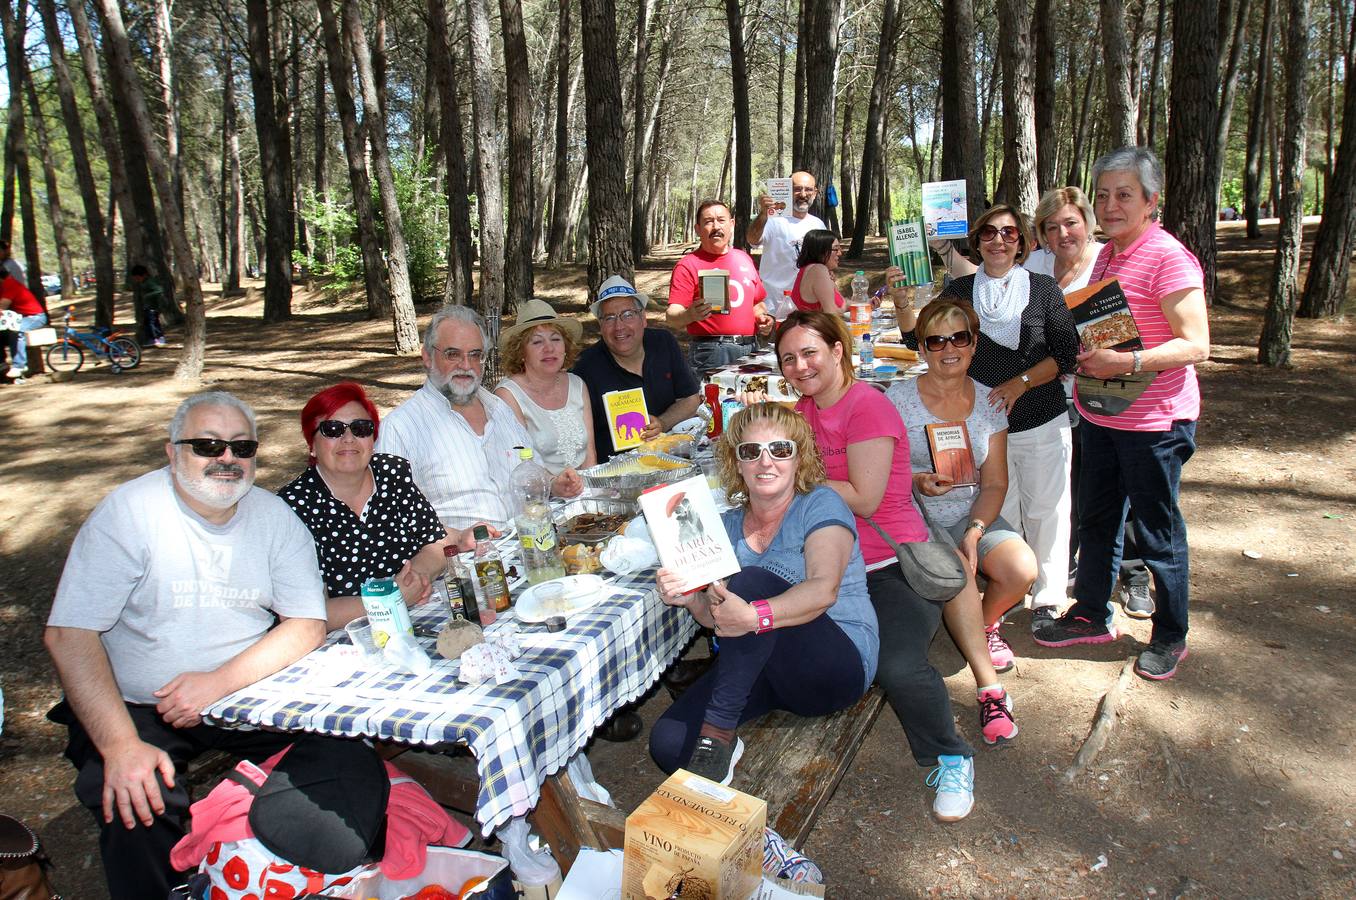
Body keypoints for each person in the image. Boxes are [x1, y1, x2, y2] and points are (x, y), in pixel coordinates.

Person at [43, 392, 327, 898]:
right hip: (137, 703)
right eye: (207, 444)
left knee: (341, 753)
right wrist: (120, 746)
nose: (227, 459)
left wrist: (217, 684)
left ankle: (281, 870)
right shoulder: (128, 513)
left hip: (241, 687)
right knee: (137, 797)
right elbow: (69, 634)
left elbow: (306, 624)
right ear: (172, 452)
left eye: (242, 447)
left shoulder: (274, 517)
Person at [776, 309, 989, 821]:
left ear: (837, 350)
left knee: (896, 664)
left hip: (889, 562)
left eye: (810, 353)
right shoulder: (802, 412)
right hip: (827, 560)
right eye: (789, 358)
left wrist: (783, 476)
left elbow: (865, 499)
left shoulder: (865, 407)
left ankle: (950, 755)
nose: (800, 366)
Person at [1034, 147, 1210, 682]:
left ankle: (1171, 634)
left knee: (1157, 531)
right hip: (1104, 415)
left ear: (1151, 200)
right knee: (1099, 520)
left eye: (1124, 195)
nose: (1111, 205)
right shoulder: (1110, 254)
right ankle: (1091, 612)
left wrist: (1126, 360)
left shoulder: (1169, 257)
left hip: (1156, 423)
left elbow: (1196, 344)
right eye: (1104, 195)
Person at [649, 403, 878, 785]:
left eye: (780, 450)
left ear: (798, 458)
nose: (765, 462)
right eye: (751, 451)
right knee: (669, 744)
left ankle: (718, 730)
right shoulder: (726, 526)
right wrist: (689, 598)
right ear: (737, 463)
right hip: (765, 665)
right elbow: (717, 617)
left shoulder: (820, 503)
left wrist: (754, 616)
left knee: (752, 581)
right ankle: (720, 739)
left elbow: (824, 590)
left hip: (836, 663)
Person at [898, 206, 1080, 641]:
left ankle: (1048, 599)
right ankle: (997, 596)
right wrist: (903, 300)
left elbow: (1067, 353)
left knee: (1047, 509)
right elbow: (919, 336)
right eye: (989, 233)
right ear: (976, 241)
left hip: (1037, 415)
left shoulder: (1042, 289)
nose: (999, 240)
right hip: (980, 426)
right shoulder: (961, 287)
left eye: (1010, 233)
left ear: (1023, 242)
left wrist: (1019, 384)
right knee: (1002, 510)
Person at [888, 299, 1038, 694]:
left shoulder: (991, 402)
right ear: (921, 349)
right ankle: (982, 671)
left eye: (959, 337)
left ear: (974, 345)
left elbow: (995, 485)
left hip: (971, 512)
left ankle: (984, 624)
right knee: (956, 568)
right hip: (917, 515)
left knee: (1022, 569)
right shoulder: (897, 400)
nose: (949, 349)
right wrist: (917, 479)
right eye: (936, 341)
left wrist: (974, 531)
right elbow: (880, 474)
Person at [375, 305, 583, 546]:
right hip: (465, 568)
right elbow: (392, 520)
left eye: (475, 355)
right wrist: (456, 538)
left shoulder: (499, 409)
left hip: (530, 546)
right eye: (453, 354)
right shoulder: (400, 429)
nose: (466, 365)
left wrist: (555, 484)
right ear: (427, 357)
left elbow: (532, 470)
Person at [279, 382, 449, 630]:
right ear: (311, 445)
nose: (348, 439)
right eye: (332, 429)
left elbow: (436, 542)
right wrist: (390, 598)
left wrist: (416, 578)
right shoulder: (294, 507)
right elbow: (307, 613)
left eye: (360, 428)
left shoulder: (392, 473)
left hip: (421, 616)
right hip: (349, 641)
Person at [573, 275, 702, 463]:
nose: (619, 327)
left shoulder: (663, 343)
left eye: (628, 315)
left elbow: (691, 399)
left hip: (671, 457)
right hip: (618, 468)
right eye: (609, 318)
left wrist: (662, 423)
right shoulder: (585, 368)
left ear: (643, 318)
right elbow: (581, 437)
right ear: (600, 326)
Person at [493, 298, 597, 475]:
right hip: (539, 495)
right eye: (537, 342)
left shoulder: (577, 384)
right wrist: (557, 486)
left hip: (585, 489)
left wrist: (593, 493)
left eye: (555, 339)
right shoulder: (508, 395)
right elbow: (520, 465)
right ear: (521, 352)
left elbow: (590, 454)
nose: (549, 348)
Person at [666, 200, 773, 371]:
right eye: (708, 221)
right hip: (711, 351)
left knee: (749, 398)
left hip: (751, 348)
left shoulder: (743, 258)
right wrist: (690, 314)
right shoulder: (688, 265)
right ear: (698, 229)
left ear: (732, 225)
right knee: (714, 399)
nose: (716, 226)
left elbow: (757, 303)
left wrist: (764, 319)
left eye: (721, 220)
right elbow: (671, 317)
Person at [746, 170, 826, 307]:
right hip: (775, 306)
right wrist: (763, 214)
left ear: (815, 193)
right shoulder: (772, 221)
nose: (803, 194)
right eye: (797, 189)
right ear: (787, 190)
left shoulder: (818, 224)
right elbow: (752, 240)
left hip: (808, 307)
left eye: (808, 190)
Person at [1, 268, 46, 380]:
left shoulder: (10, 285)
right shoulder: (4, 285)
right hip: (21, 317)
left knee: (16, 331)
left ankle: (19, 365)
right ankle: (2, 364)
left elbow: (2, 306)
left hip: (35, 317)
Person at [788, 229, 848, 314]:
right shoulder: (818, 270)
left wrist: (866, 304)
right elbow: (832, 313)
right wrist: (844, 307)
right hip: (816, 326)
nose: (839, 253)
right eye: (836, 249)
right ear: (821, 251)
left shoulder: (812, 270)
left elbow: (841, 302)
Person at [129, 264, 166, 347]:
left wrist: (148, 295)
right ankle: (151, 340)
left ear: (144, 275)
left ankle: (160, 338)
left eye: (138, 278)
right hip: (148, 307)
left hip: (153, 307)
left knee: (154, 323)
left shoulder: (150, 282)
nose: (137, 280)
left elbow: (159, 290)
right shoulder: (144, 283)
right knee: (148, 324)